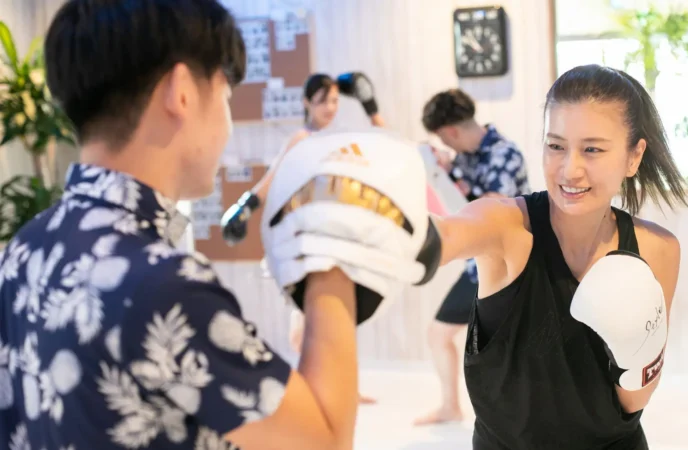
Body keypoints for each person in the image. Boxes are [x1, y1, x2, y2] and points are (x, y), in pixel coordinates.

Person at [0, 1, 435, 449]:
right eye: (226, 95)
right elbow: (322, 440)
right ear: (182, 92)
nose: (227, 124)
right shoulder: (163, 286)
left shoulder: (23, 250)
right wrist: (332, 257)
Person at [432, 64, 687, 448]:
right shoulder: (506, 226)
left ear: (633, 157)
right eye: (555, 146)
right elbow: (446, 235)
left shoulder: (657, 249)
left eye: (592, 149)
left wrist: (636, 350)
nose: (570, 169)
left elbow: (633, 402)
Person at [220, 71, 385, 404]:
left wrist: (371, 107)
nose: (330, 107)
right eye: (323, 101)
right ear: (307, 102)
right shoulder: (301, 138)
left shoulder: (339, 138)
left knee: (339, 315)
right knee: (305, 323)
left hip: (335, 235)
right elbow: (270, 181)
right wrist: (243, 208)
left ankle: (341, 389)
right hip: (305, 241)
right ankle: (312, 391)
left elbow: (385, 146)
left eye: (335, 100)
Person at [413, 88, 530, 426]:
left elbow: (492, 209)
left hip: (510, 266)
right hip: (477, 266)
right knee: (440, 335)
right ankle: (451, 407)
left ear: (450, 131)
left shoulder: (505, 153)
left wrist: (450, 172)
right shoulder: (464, 157)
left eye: (443, 139)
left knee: (506, 347)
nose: (446, 145)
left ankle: (514, 418)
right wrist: (446, 167)